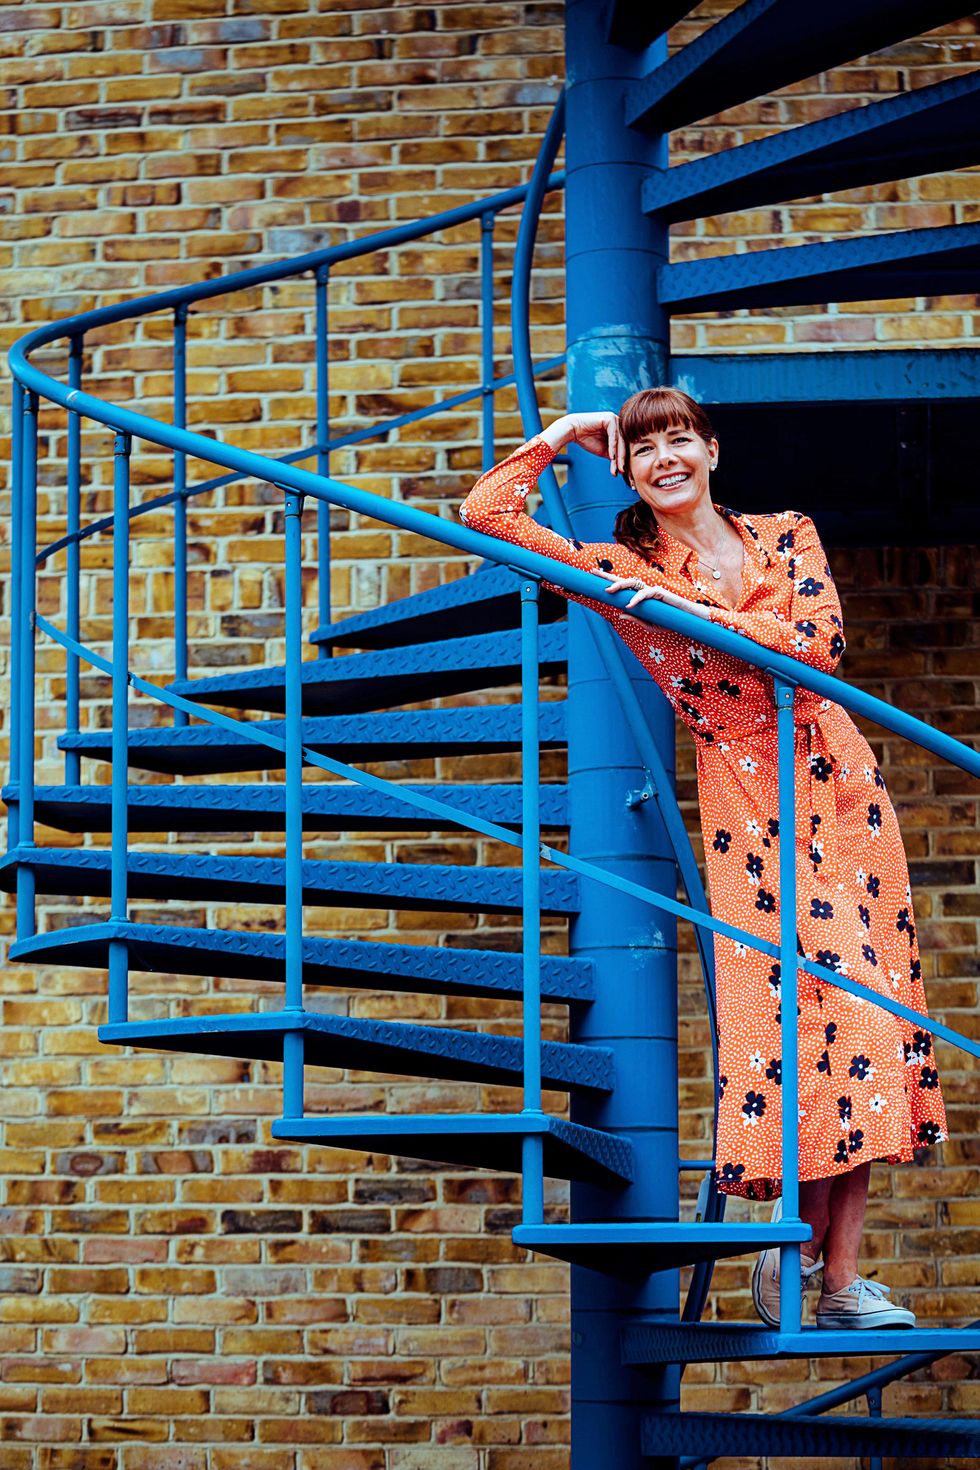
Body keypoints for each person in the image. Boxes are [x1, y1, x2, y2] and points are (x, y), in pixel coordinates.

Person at [459, 387, 948, 1330]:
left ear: (711, 449)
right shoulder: (614, 568)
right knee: (809, 1020)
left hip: (843, 790)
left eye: (678, 439)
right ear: (627, 471)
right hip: (752, 811)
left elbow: (818, 647)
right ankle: (786, 1262)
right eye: (642, 451)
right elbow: (487, 516)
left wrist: (686, 611)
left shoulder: (785, 533)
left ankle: (838, 1280)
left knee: (876, 1022)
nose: (664, 460)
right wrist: (561, 435)